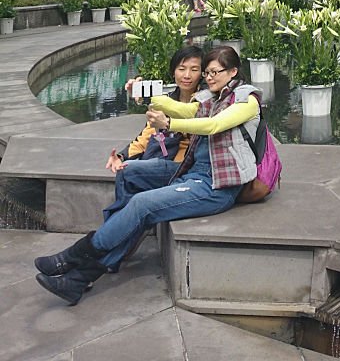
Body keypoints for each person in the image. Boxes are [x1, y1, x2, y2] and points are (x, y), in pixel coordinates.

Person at [34, 46, 262, 306]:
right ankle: (76, 280)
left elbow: (213, 125)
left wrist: (170, 124)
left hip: (216, 187)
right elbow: (185, 110)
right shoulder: (213, 97)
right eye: (207, 73)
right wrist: (149, 96)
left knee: (141, 204)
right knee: (137, 209)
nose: (208, 78)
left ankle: (73, 256)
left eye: (213, 72)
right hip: (193, 177)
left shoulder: (248, 99)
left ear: (233, 71)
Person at [104, 45, 204, 201]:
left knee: (128, 172)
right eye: (181, 68)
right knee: (126, 169)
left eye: (194, 69)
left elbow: (194, 120)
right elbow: (146, 135)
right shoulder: (168, 99)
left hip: (184, 164)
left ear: (202, 73)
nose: (187, 75)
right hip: (163, 157)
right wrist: (121, 156)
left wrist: (165, 118)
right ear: (173, 71)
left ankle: (122, 217)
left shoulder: (205, 100)